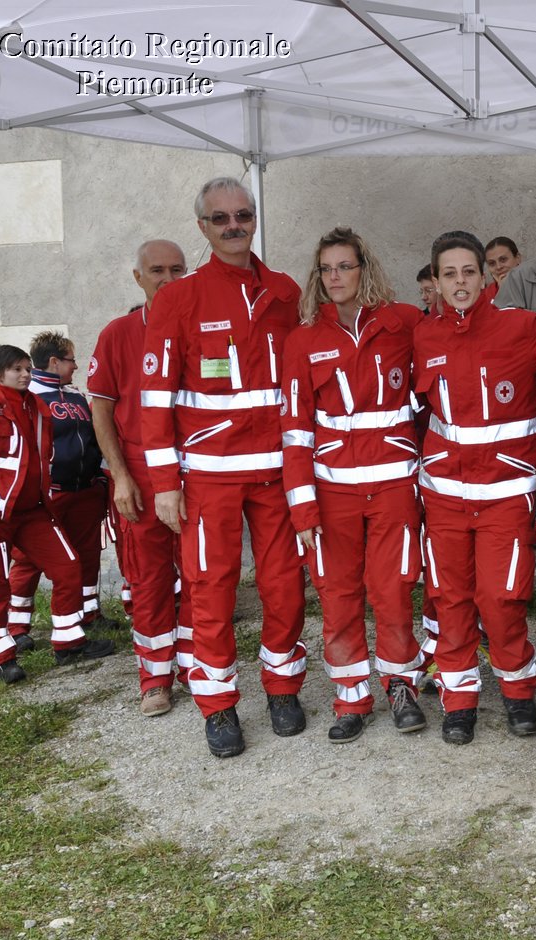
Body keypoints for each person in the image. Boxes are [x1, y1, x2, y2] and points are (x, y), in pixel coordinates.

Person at [140, 176, 308, 758]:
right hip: (210, 474)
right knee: (211, 588)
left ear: (254, 218)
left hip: (279, 471)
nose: (234, 225)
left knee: (284, 586)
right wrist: (165, 483)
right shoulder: (178, 299)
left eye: (243, 214)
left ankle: (283, 688)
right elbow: (154, 397)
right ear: (203, 227)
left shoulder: (286, 292)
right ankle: (218, 705)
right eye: (220, 218)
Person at [282, 227, 426, 744]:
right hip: (332, 494)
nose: (335, 277)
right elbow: (295, 434)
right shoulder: (303, 340)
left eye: (345, 266)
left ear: (365, 269)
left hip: (393, 488)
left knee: (392, 593)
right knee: (339, 597)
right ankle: (350, 698)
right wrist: (303, 513)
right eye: (327, 268)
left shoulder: (403, 323)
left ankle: (402, 686)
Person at [413, 232, 536, 744]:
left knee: (502, 598)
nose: (459, 283)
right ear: (436, 281)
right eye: (448, 274)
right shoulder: (423, 335)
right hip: (446, 492)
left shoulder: (524, 327)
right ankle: (460, 699)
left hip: (505, 491)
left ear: (485, 275)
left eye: (468, 272)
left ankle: (519, 692)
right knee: (450, 599)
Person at [0, 345, 114, 681]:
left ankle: (68, 643)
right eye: (16, 369)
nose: (25, 374)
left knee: (68, 567)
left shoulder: (37, 407)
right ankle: (0, 655)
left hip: (33, 511)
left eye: (26, 368)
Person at [88, 238, 193, 718]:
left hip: (196, 475)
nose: (168, 280)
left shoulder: (201, 329)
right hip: (140, 478)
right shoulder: (119, 334)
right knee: (149, 579)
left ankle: (197, 665)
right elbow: (102, 410)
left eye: (177, 270)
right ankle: (155, 677)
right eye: (157, 271)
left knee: (201, 575)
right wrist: (121, 477)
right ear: (138, 277)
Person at [6, 331, 109, 647]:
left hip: (86, 491)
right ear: (54, 361)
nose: (76, 366)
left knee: (88, 554)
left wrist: (102, 476)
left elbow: (95, 437)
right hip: (51, 494)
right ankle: (16, 627)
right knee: (29, 559)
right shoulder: (28, 396)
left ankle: (86, 614)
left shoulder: (76, 396)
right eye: (71, 359)